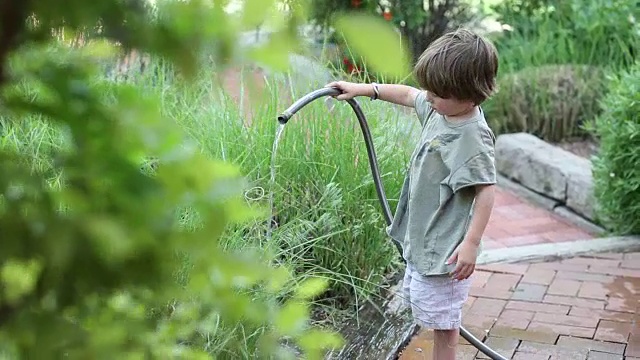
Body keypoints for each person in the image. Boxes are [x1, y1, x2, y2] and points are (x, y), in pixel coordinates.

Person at [326, 28, 498, 360]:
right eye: (430, 92)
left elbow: (486, 191)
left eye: (437, 94)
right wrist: (363, 89)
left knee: (445, 325)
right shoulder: (441, 108)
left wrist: (472, 243)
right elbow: (408, 95)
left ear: (471, 93)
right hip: (426, 238)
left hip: (446, 250)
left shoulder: (472, 137)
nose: (429, 98)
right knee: (434, 315)